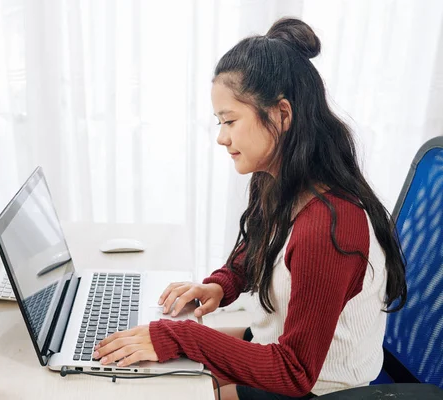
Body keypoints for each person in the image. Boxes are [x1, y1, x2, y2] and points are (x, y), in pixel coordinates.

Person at [93, 17, 407, 400]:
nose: (222, 138)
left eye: (229, 121)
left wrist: (182, 336)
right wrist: (220, 284)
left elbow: (295, 373)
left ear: (281, 115)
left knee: (162, 383)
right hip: (278, 351)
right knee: (149, 365)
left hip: (315, 388)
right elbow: (262, 249)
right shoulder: (281, 180)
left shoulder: (330, 227)